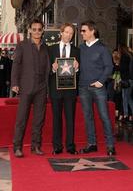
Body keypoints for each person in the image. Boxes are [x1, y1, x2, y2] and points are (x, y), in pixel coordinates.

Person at [11, 18, 50, 157]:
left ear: (43, 30)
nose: (37, 32)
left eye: (39, 29)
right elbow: (16, 65)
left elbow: (48, 68)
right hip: (26, 86)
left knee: (39, 119)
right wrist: (15, 83)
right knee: (21, 119)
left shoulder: (46, 48)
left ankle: (36, 146)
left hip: (41, 88)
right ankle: (17, 147)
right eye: (34, 29)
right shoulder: (22, 45)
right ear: (29, 30)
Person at [78, 20, 116, 156]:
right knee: (88, 117)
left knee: (104, 116)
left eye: (84, 31)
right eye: (81, 31)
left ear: (92, 31)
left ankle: (110, 146)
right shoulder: (81, 48)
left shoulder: (102, 48)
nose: (81, 33)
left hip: (98, 88)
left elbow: (109, 67)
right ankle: (92, 144)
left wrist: (101, 81)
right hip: (83, 87)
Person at [49, 23, 79, 154]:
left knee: (70, 118)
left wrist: (77, 67)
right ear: (61, 33)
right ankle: (57, 146)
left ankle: (70, 146)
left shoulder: (77, 51)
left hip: (70, 90)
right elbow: (46, 70)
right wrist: (52, 68)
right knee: (56, 118)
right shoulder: (51, 49)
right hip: (55, 89)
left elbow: (79, 72)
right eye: (66, 32)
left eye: (71, 33)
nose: (68, 35)